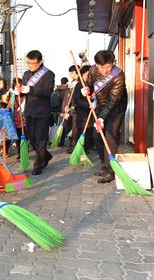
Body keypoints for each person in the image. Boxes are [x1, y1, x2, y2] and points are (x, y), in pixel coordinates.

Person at [81, 50, 128, 183]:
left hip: (116, 107)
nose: (105, 70)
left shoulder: (118, 75)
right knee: (97, 135)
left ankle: (110, 170)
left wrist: (101, 118)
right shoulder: (93, 70)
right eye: (101, 67)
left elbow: (113, 100)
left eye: (108, 66)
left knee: (110, 135)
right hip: (100, 105)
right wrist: (85, 90)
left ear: (113, 63)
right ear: (96, 65)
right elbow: (89, 85)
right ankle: (105, 164)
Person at [18, 50, 55, 175]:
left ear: (40, 62)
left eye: (33, 63)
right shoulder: (26, 74)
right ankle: (46, 155)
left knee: (40, 139)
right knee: (32, 138)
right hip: (29, 111)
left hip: (42, 112)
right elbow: (24, 90)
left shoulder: (49, 74)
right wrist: (20, 91)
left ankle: (38, 165)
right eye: (28, 63)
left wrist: (31, 89)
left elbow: (47, 92)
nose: (30, 65)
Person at [69, 65, 94, 154]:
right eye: (85, 74)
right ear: (82, 75)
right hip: (82, 114)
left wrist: (93, 100)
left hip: (92, 113)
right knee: (82, 132)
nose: (87, 76)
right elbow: (77, 100)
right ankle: (80, 150)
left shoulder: (93, 84)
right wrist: (88, 105)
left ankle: (87, 148)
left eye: (89, 74)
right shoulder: (79, 85)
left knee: (90, 132)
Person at [7, 77, 26, 159]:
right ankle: (20, 153)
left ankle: (25, 150)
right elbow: (9, 107)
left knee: (25, 137)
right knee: (18, 138)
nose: (18, 88)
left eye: (20, 86)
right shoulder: (13, 97)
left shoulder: (26, 96)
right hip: (16, 121)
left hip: (25, 121)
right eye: (16, 86)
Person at [52, 77, 72, 147]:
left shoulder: (56, 90)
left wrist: (58, 113)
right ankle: (68, 142)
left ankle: (59, 141)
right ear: (67, 83)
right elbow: (68, 102)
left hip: (57, 112)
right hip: (65, 111)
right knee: (67, 126)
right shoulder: (69, 91)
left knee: (60, 126)